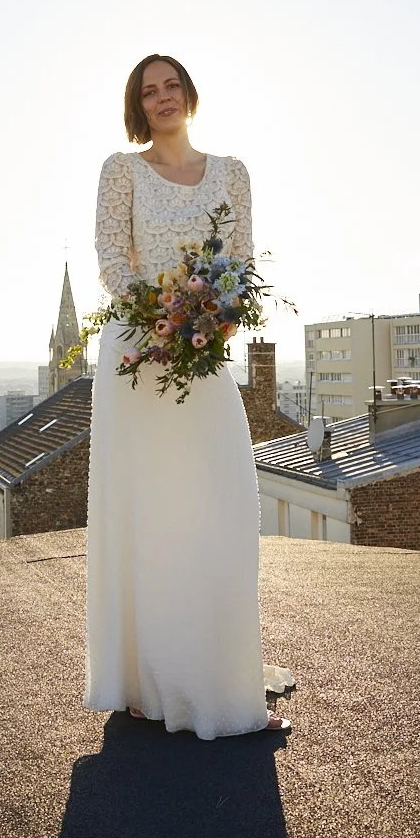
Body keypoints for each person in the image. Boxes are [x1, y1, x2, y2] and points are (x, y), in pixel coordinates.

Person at [82, 52, 295, 739]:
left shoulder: (233, 173)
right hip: (139, 354)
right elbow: (114, 260)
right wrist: (165, 315)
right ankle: (149, 682)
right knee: (149, 516)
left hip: (200, 355)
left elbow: (239, 263)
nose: (163, 97)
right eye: (150, 91)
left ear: (190, 95)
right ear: (137, 106)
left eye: (172, 85)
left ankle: (220, 677)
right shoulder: (121, 171)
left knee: (221, 504)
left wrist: (210, 320)